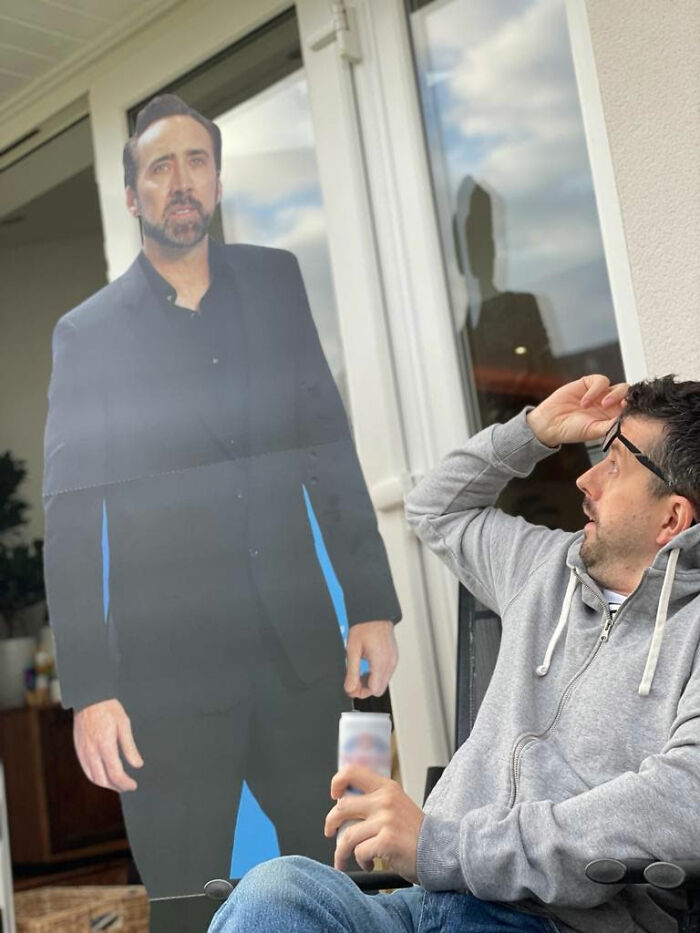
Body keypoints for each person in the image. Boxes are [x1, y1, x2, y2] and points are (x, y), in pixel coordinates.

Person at [42, 93, 400, 907]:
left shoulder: (277, 281)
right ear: (133, 195)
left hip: (299, 656)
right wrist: (91, 691)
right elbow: (69, 520)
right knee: (188, 900)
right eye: (159, 167)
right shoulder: (88, 336)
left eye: (196, 162)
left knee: (352, 880)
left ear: (217, 179)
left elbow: (325, 446)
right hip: (165, 687)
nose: (181, 181)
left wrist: (371, 605)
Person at [213, 373, 700, 933]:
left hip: (553, 922)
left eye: (613, 466)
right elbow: (432, 508)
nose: (585, 480)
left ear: (672, 518)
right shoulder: (542, 569)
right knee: (275, 893)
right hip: (426, 904)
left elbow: (682, 800)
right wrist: (534, 431)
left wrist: (439, 843)